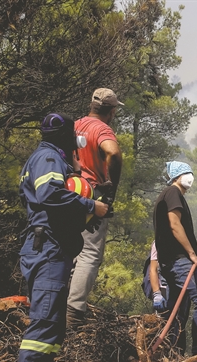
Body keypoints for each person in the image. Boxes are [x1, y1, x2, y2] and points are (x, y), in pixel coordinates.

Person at [6, 113, 109, 362]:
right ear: (65, 136)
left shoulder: (49, 157)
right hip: (47, 249)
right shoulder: (49, 157)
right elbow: (50, 195)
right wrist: (93, 206)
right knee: (44, 324)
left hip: (52, 248)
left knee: (52, 327)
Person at [66, 88, 124, 328]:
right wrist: (111, 185)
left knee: (68, 249)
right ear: (111, 111)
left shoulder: (76, 125)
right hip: (93, 195)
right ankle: (73, 312)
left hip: (70, 191)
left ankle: (57, 303)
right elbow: (113, 152)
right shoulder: (101, 128)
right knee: (89, 253)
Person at [154, 161, 197, 356]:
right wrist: (190, 253)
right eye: (186, 173)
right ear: (176, 177)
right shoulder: (173, 192)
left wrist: (194, 253)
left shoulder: (171, 195)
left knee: (177, 311)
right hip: (178, 261)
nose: (191, 176)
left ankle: (170, 353)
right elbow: (174, 224)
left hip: (172, 261)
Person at [142, 240, 191, 354]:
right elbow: (153, 269)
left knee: (180, 323)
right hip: (164, 288)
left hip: (182, 287)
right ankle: (161, 355)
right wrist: (157, 293)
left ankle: (178, 355)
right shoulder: (158, 242)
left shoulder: (186, 240)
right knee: (164, 321)